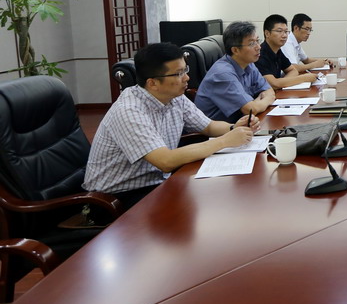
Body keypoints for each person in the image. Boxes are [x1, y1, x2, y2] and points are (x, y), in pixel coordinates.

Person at [82, 43, 261, 210]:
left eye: (185, 70)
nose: (187, 78)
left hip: (156, 182)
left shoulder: (176, 97)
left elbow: (209, 126)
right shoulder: (129, 111)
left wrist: (234, 128)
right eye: (178, 74)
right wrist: (224, 141)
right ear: (153, 83)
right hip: (116, 197)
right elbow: (165, 161)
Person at [195, 21, 276, 122]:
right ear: (235, 50)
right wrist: (260, 102)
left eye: (257, 41)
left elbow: (269, 91)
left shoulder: (248, 63)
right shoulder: (222, 74)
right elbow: (250, 110)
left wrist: (256, 104)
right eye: (252, 43)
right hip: (218, 130)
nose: (258, 47)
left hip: (241, 123)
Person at [255, 14, 319, 89]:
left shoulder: (277, 50)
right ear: (267, 33)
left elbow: (293, 70)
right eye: (279, 31)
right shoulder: (260, 54)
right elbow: (273, 84)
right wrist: (304, 78)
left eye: (286, 31)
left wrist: (282, 83)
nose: (284, 35)